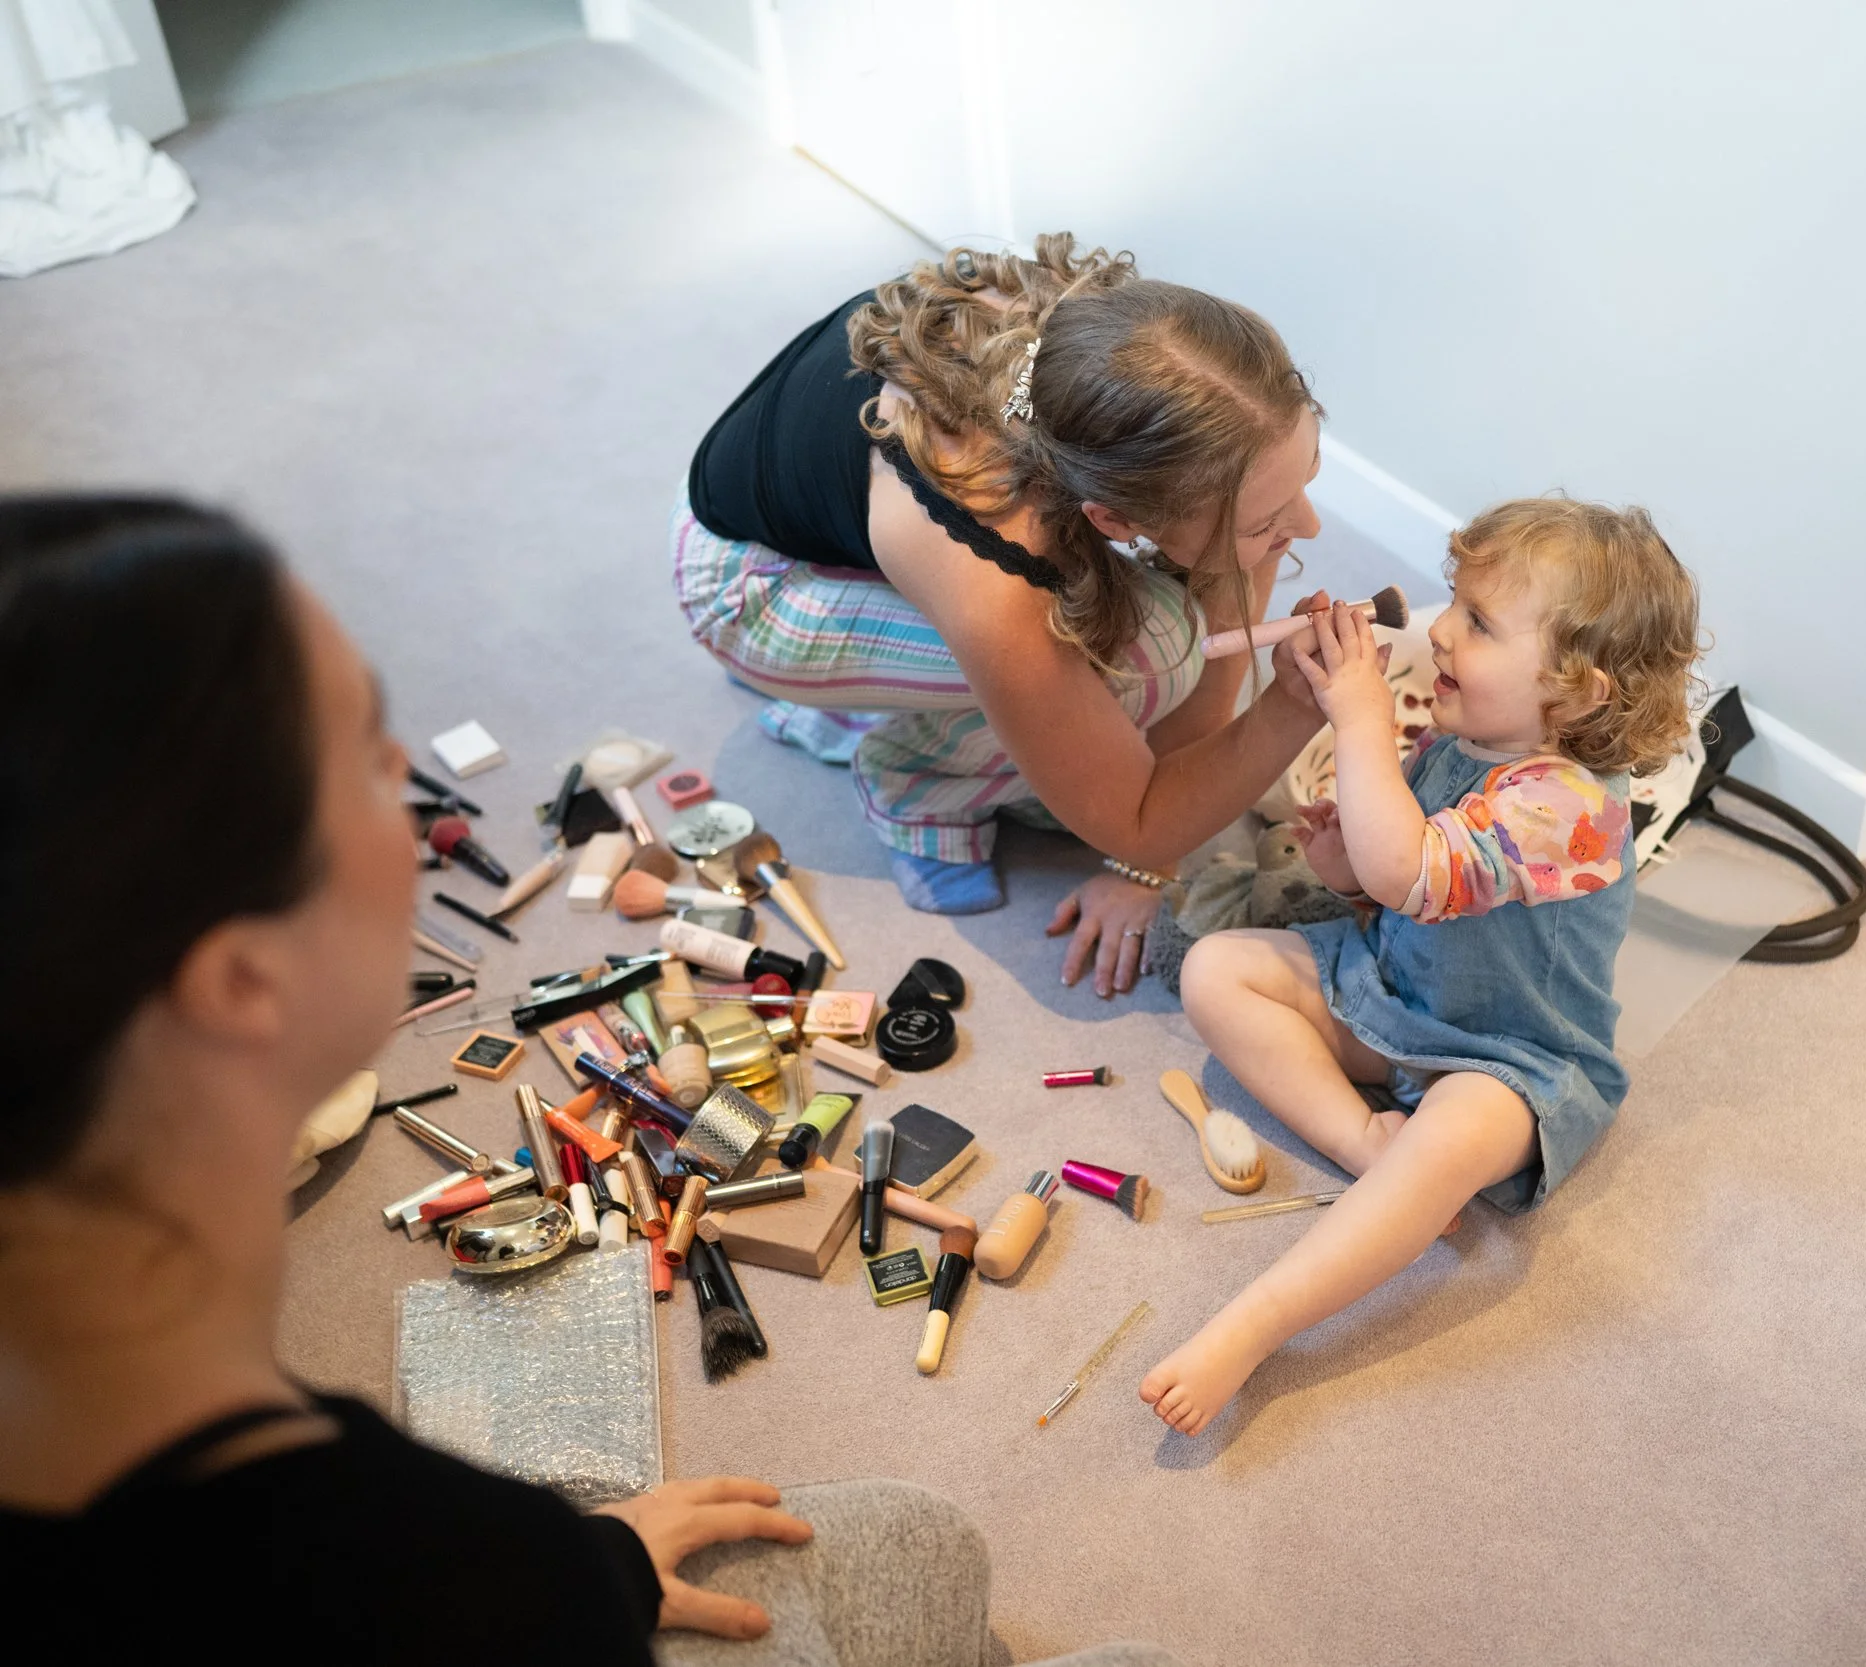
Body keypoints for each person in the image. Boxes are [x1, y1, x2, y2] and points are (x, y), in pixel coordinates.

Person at [0, 497, 1176, 1667]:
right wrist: (566, 1575)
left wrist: (596, 1557)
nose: (411, 776)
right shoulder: (417, 1565)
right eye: (366, 757)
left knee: (924, 1545)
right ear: (241, 982)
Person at [1146, 498, 1703, 1435]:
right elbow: (1396, 881)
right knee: (1215, 970)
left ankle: (1256, 1324)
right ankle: (1367, 1143)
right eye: (1454, 602)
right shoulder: (1467, 741)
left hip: (1512, 1059)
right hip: (1397, 991)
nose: (1439, 631)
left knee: (1453, 1136)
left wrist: (1360, 719)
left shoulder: (1569, 805)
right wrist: (1342, 872)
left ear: (1577, 694)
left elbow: (1412, 868)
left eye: (1479, 624)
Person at [675, 234, 1333, 996]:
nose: (1311, 527)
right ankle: (911, 782)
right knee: (1154, 651)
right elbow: (1140, 817)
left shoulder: (1129, 369)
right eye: (1264, 520)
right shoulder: (995, 568)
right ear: (1113, 518)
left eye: (1305, 478)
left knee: (1156, 644)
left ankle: (923, 705)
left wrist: (1255, 540)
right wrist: (1283, 711)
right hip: (744, 584)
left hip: (844, 526)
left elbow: (1226, 620)